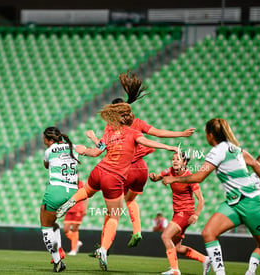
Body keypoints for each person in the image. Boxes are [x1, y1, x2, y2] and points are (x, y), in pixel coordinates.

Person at [161, 118, 260, 275]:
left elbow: (199, 177)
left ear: (210, 135)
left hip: (251, 202)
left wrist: (174, 178)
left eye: (206, 133)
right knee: (208, 233)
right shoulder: (235, 149)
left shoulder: (217, 151)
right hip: (233, 203)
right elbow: (255, 163)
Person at [56, 102, 180, 271]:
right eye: (128, 114)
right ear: (124, 118)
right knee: (114, 215)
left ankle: (70, 201)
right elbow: (149, 142)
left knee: (86, 191)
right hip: (113, 178)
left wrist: (83, 149)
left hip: (98, 170)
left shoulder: (109, 134)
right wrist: (169, 147)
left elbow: (96, 152)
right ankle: (103, 249)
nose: (131, 116)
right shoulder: (134, 132)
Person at [87, 70, 195, 248]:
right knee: (130, 200)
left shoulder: (111, 127)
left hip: (124, 170)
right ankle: (137, 230)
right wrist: (180, 134)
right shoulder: (137, 122)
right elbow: (157, 133)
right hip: (142, 170)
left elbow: (102, 148)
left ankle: (104, 246)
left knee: (113, 208)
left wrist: (92, 138)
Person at [149, 151, 211, 275]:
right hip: (177, 213)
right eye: (173, 159)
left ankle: (175, 270)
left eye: (178, 159)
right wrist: (153, 177)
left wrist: (196, 214)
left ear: (185, 162)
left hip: (186, 213)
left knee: (165, 236)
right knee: (177, 247)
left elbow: (201, 199)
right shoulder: (169, 171)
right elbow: (157, 178)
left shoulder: (190, 178)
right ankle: (205, 259)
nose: (175, 161)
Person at [40, 126, 83, 273]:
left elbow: (46, 165)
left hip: (56, 190)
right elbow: (94, 152)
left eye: (45, 139)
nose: (44, 142)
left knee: (46, 226)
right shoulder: (73, 147)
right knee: (54, 224)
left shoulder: (49, 151)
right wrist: (98, 142)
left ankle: (57, 261)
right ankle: (60, 250)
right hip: (72, 191)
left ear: (51, 140)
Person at [63, 179, 88, 256]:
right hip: (69, 208)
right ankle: (76, 242)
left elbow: (86, 197)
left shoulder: (81, 184)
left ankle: (74, 249)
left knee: (74, 229)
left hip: (78, 208)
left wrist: (85, 208)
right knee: (66, 229)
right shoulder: (67, 184)